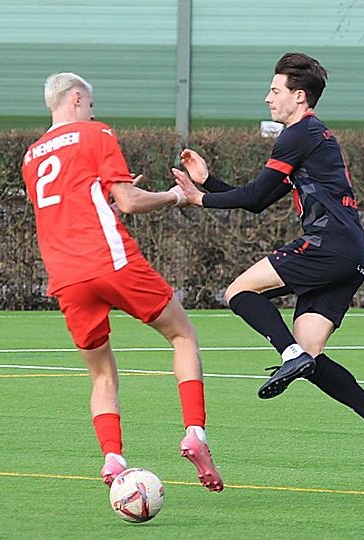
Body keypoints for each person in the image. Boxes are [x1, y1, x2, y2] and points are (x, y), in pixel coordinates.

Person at [171, 52, 364, 477]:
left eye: (275, 90)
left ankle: (289, 354)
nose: (268, 98)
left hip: (327, 246)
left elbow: (253, 196)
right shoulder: (311, 137)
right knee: (311, 355)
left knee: (238, 292)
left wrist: (199, 198)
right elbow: (259, 199)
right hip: (350, 255)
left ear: (299, 96)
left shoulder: (299, 134)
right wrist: (207, 183)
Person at [20, 72, 223, 492]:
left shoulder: (31, 156)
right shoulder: (96, 133)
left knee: (101, 375)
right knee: (182, 334)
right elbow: (128, 202)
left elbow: (72, 207)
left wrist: (109, 197)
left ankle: (113, 458)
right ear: (77, 98)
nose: (93, 113)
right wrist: (175, 196)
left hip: (65, 276)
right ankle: (194, 433)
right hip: (109, 260)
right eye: (91, 105)